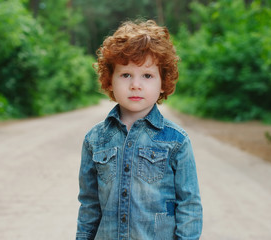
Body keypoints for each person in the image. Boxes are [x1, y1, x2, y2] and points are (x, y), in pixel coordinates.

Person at [76, 19, 203, 240]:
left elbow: (189, 205)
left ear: (162, 82)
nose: (136, 84)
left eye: (147, 75)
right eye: (126, 75)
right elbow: (89, 205)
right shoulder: (95, 140)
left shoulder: (176, 141)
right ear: (110, 81)